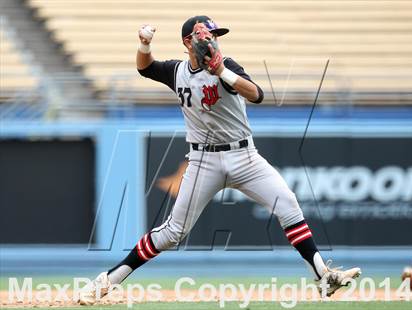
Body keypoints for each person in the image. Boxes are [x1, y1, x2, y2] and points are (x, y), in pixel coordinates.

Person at [78, 15, 361, 305]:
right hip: (203, 162)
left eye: (214, 35)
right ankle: (106, 281)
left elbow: (257, 94)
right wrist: (145, 44)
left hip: (244, 156)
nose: (212, 40)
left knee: (287, 203)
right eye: (205, 36)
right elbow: (145, 68)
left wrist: (223, 72)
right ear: (189, 42)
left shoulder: (229, 66)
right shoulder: (177, 71)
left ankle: (322, 276)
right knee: (172, 233)